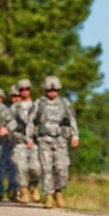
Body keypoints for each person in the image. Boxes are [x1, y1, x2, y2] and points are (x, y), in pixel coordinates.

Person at [26, 76, 79, 209]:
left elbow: (72, 120)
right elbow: (31, 121)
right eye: (49, 90)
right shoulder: (39, 103)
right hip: (44, 140)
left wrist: (75, 136)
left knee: (62, 167)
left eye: (55, 90)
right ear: (45, 90)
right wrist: (29, 138)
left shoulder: (65, 103)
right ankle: (49, 196)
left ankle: (58, 191)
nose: (52, 92)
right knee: (46, 168)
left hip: (60, 140)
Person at [10, 79, 42, 203]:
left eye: (27, 89)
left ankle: (33, 186)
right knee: (21, 167)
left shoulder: (37, 106)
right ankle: (23, 191)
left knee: (36, 168)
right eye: (22, 90)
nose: (24, 91)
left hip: (34, 142)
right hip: (20, 142)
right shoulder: (14, 108)